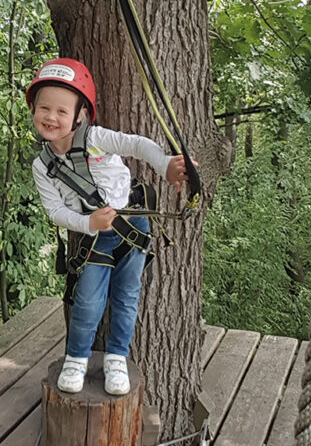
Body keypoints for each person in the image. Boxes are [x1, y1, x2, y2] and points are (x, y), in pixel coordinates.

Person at [26, 58, 189, 396]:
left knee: (126, 296)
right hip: (96, 234)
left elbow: (138, 145)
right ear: (33, 110)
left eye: (60, 111)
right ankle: (76, 358)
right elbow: (55, 210)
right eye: (44, 108)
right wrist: (87, 222)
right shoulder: (43, 166)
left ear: (80, 114)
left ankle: (117, 356)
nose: (51, 117)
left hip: (131, 226)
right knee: (87, 299)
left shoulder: (98, 138)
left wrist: (166, 167)